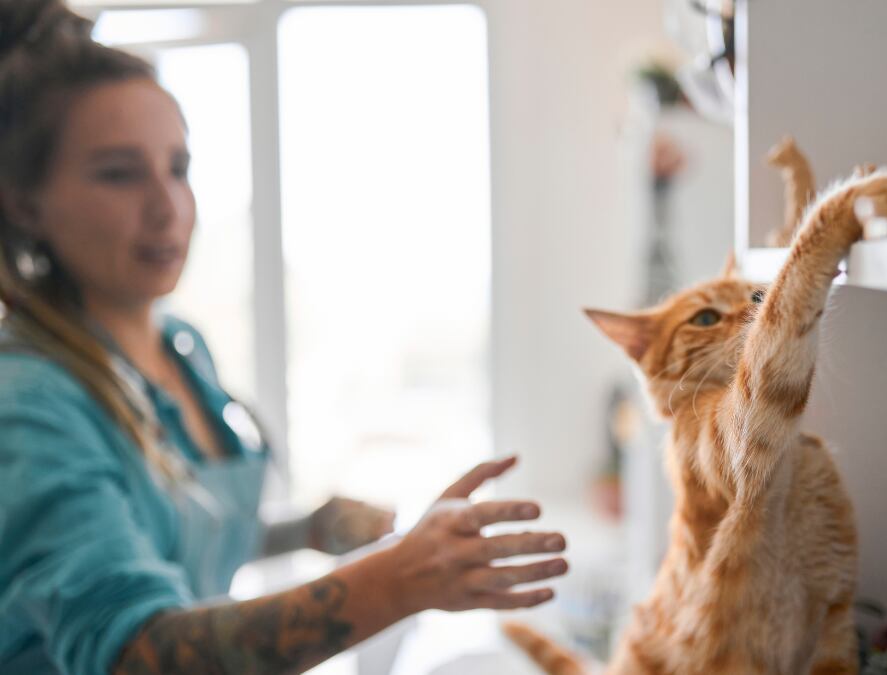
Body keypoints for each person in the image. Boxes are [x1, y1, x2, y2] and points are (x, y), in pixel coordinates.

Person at [0, 2, 569, 673]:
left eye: (178, 168)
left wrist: (309, 527)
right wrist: (395, 579)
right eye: (119, 173)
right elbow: (134, 653)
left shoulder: (179, 346)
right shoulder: (29, 402)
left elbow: (173, 533)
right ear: (24, 201)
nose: (168, 207)